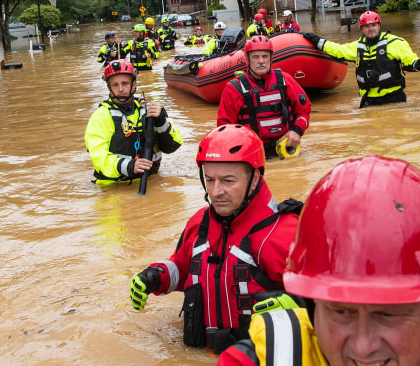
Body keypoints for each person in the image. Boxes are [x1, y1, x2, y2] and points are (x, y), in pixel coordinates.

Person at [218, 155, 420, 366]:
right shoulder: (269, 356)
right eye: (340, 312)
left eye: (389, 315)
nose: (362, 349)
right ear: (313, 304)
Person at [129, 124, 302, 353]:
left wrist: (301, 305)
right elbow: (183, 268)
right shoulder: (199, 223)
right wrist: (157, 276)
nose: (216, 191)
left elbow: (334, 305)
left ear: (254, 178)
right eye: (210, 180)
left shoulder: (284, 233)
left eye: (228, 181)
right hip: (201, 353)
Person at [303, 10, 420, 108]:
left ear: (379, 26)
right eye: (367, 26)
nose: (371, 29)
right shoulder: (357, 46)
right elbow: (337, 50)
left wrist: (417, 64)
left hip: (394, 98)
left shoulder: (395, 42)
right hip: (369, 100)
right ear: (361, 29)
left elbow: (409, 60)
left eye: (373, 25)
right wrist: (318, 41)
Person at [85, 60, 182, 185]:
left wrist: (161, 121)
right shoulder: (100, 116)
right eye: (115, 85)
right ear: (108, 87)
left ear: (134, 83)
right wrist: (130, 166)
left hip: (150, 182)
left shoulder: (148, 111)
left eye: (125, 83)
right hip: (113, 187)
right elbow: (99, 158)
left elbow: (174, 145)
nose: (120, 89)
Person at [217, 36, 311, 159]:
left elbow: (304, 111)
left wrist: (296, 131)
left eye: (265, 56)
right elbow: (224, 128)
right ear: (248, 59)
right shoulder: (234, 88)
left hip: (285, 150)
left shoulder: (285, 80)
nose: (261, 61)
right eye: (255, 57)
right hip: (252, 153)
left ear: (271, 58)